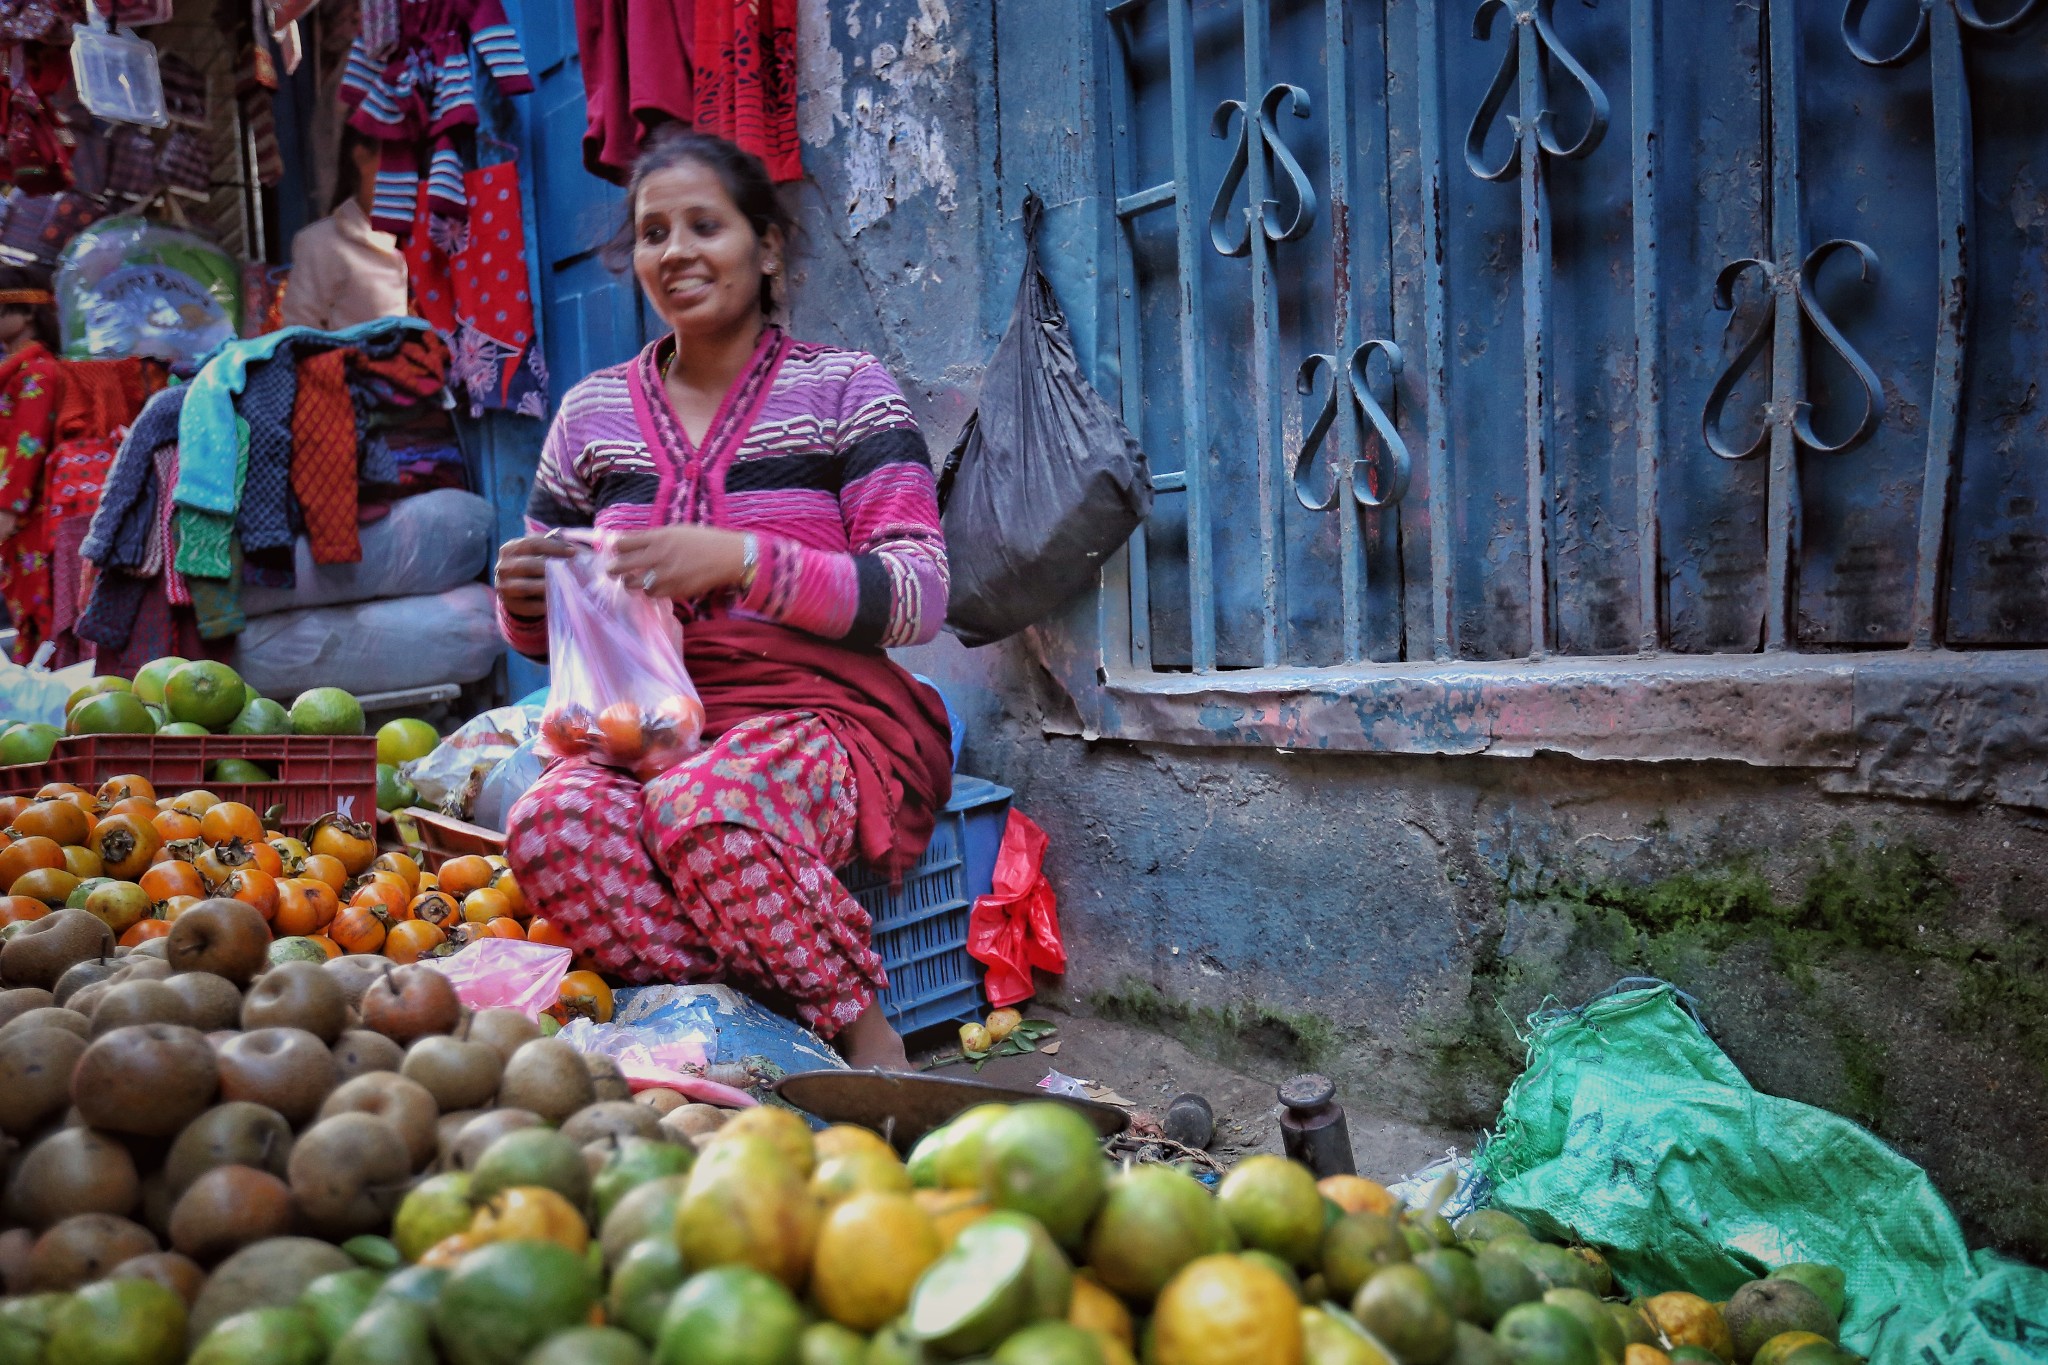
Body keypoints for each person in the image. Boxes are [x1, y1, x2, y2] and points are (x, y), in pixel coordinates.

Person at [494, 128, 952, 1071]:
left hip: (822, 719)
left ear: (767, 245)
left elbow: (918, 595)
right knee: (549, 824)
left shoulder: (845, 391)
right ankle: (759, 1032)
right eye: (653, 232)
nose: (676, 252)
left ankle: (868, 1039)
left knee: (704, 806)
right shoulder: (589, 416)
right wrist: (527, 596)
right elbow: (546, 635)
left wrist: (743, 560)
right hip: (644, 730)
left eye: (706, 225)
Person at [281, 128, 411, 331]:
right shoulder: (320, 244)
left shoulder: (436, 238)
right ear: (362, 158)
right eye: (397, 160)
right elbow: (299, 334)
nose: (409, 176)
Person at [0, 266, 61, 662]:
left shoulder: (39, 372)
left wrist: (4, 514)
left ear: (27, 314)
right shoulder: (14, 373)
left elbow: (26, 451)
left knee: (40, 623)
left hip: (29, 523)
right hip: (17, 526)